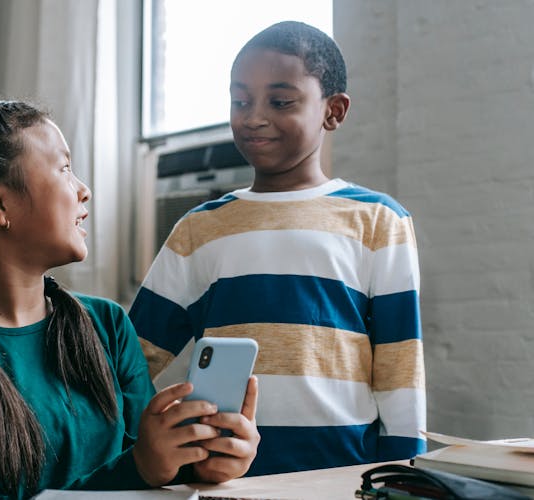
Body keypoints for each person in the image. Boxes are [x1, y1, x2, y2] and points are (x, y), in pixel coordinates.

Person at [0, 100, 260, 499]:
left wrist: (200, 461)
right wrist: (143, 466)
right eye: (63, 168)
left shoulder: (107, 324)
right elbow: (135, 469)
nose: (83, 189)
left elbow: (148, 471)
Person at [129, 21, 426, 476]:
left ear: (334, 110)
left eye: (280, 101)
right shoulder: (198, 229)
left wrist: (404, 477)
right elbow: (130, 361)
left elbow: (400, 373)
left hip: (342, 478)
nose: (253, 117)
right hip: (224, 479)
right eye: (240, 100)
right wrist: (138, 450)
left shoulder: (379, 221)